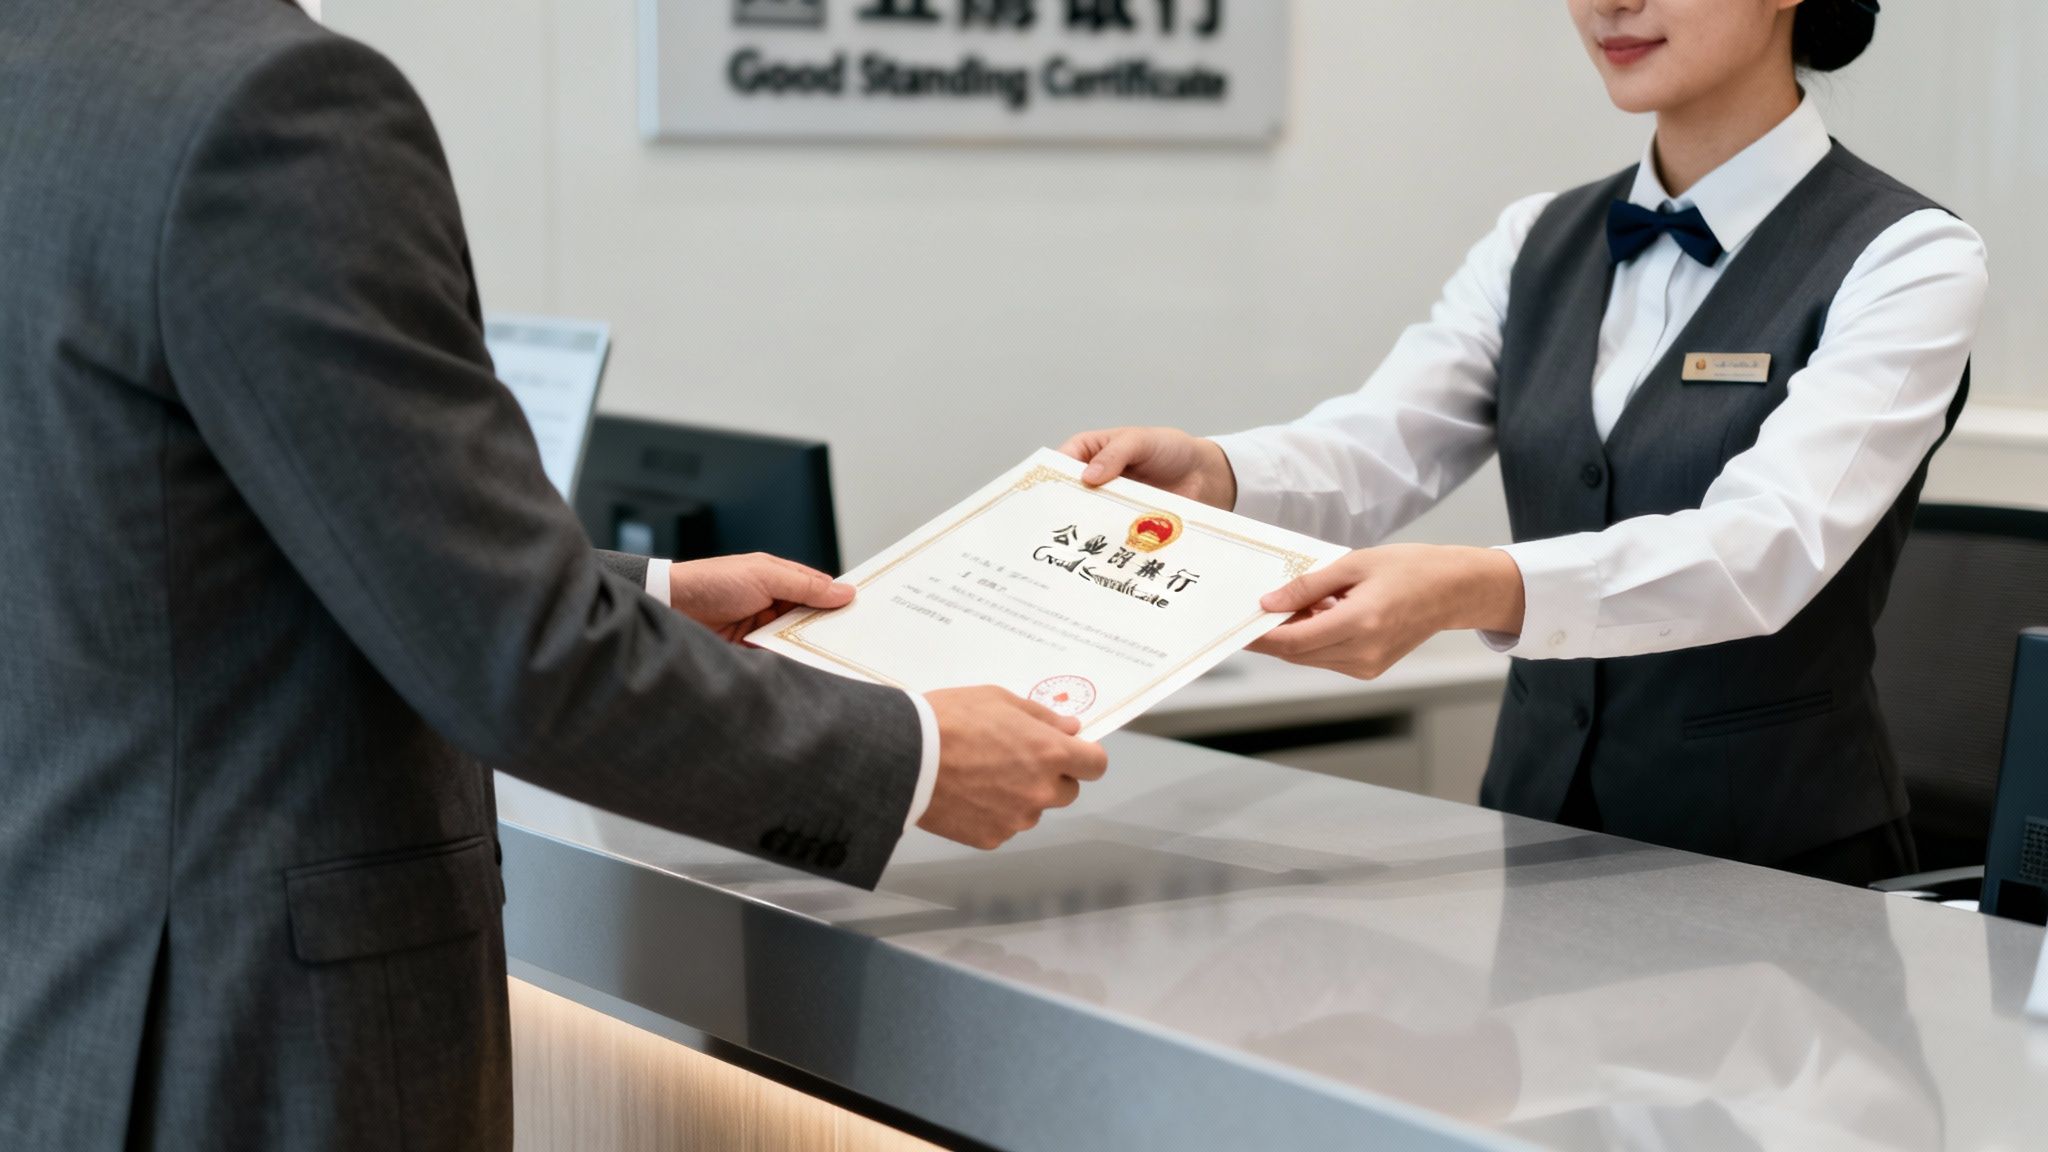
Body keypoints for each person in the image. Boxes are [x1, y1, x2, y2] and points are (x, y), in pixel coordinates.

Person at [0, 0, 1106, 1148]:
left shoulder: (47, 61)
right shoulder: (268, 106)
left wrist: (646, 596)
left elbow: (159, 530)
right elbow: (516, 661)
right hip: (239, 1045)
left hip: (75, 1003)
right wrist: (913, 759)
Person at [1064, 0, 1986, 886]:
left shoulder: (1908, 258)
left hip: (1784, 863)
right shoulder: (1533, 239)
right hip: (1535, 833)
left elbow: (1765, 546)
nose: (1610, 4)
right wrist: (1216, 472)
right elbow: (1384, 440)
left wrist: (1474, 585)